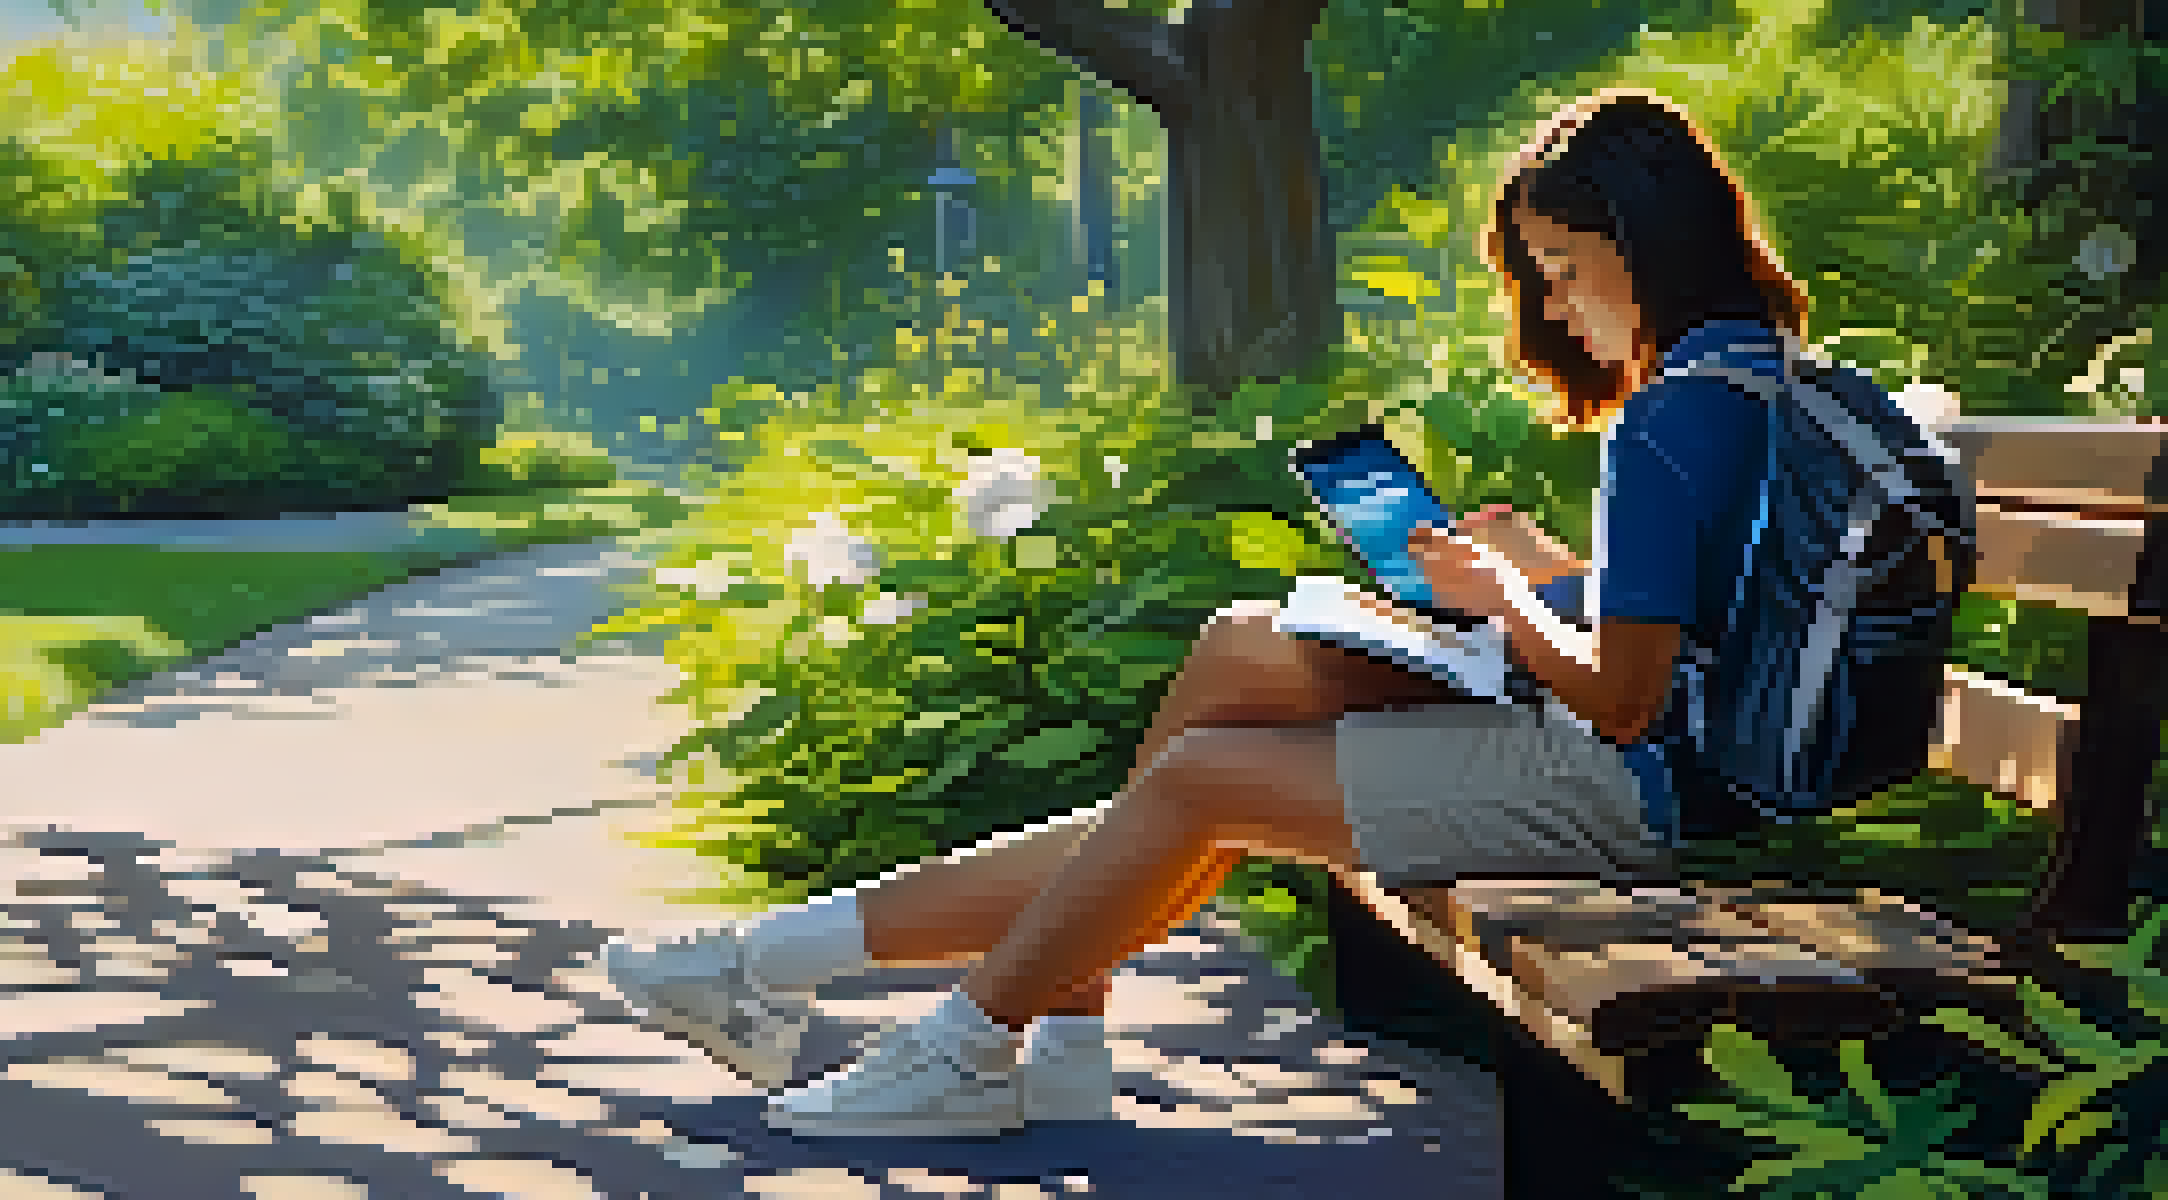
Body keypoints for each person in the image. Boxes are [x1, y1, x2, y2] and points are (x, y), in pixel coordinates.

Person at [603, 86, 1812, 1138]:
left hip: (1647, 794)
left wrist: (1501, 594)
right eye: (1540, 275)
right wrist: (1555, 579)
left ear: (1644, 243)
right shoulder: (1769, 381)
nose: (1552, 307)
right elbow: (1713, 625)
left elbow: (1626, 699)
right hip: (1675, 760)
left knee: (1198, 783)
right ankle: (1019, 1011)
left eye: (1563, 267)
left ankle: (957, 1037)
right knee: (1240, 649)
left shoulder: (1677, 415)